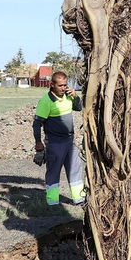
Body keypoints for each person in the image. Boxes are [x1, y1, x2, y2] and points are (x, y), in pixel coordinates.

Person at [33, 71, 85, 207]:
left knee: (75, 168)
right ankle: (52, 201)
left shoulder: (68, 96)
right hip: (55, 143)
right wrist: (38, 143)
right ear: (52, 85)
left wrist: (76, 97)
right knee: (54, 171)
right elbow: (37, 123)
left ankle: (79, 198)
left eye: (65, 85)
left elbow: (79, 108)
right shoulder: (46, 101)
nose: (63, 88)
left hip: (69, 141)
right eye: (60, 85)